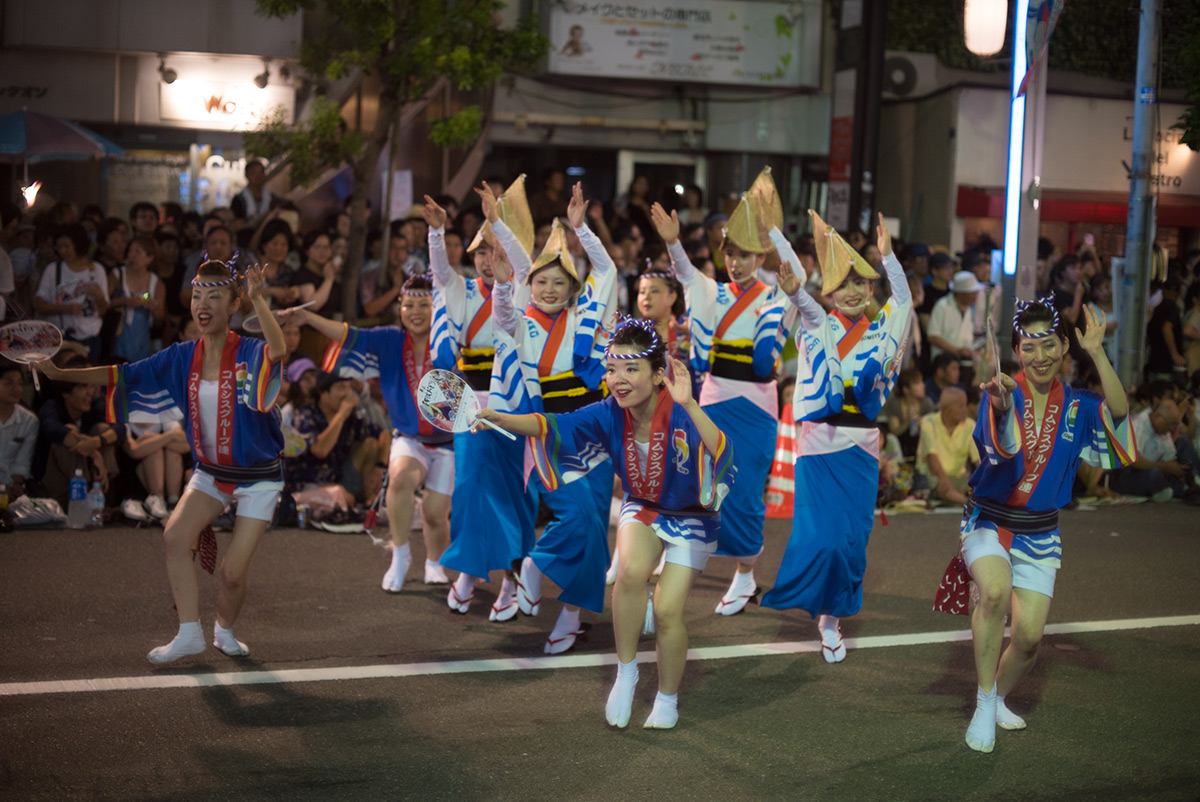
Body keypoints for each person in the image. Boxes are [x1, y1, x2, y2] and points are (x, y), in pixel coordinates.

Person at [477, 319, 735, 729]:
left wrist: (690, 404)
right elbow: (552, 425)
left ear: (657, 373)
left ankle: (667, 699)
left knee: (667, 612)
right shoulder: (608, 412)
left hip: (692, 514)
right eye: (612, 369)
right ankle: (627, 672)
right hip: (644, 505)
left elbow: (722, 452)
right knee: (630, 573)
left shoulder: (681, 408)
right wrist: (498, 418)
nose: (618, 379)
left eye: (631, 369)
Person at [39, 257, 286, 665]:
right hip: (212, 471)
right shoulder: (179, 356)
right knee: (174, 536)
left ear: (233, 303)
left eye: (215, 296)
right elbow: (125, 376)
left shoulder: (251, 350)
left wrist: (259, 301)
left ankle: (223, 629)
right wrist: (61, 374)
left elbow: (279, 351)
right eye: (198, 296)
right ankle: (189, 633)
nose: (203, 304)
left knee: (231, 574)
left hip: (259, 476)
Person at [936, 299, 1135, 753]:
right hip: (989, 519)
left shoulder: (1080, 405)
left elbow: (1120, 415)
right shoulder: (1001, 392)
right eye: (1029, 347)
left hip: (1041, 531)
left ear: (1065, 346)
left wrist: (1098, 353)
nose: (1040, 356)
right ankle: (985, 702)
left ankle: (999, 696)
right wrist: (1004, 407)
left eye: (1049, 345)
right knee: (994, 591)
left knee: (1028, 640)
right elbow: (1002, 450)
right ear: (1016, 351)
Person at [762, 211, 911, 662]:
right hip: (819, 448)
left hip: (862, 451)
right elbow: (802, 300)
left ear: (870, 290)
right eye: (842, 285)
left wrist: (887, 257)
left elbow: (903, 299)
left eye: (860, 284)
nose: (851, 292)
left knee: (850, 543)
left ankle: (832, 617)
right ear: (828, 292)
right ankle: (820, 608)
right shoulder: (818, 322)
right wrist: (788, 277)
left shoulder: (883, 329)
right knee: (820, 538)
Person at [649, 168, 793, 616]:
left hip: (757, 406)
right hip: (709, 399)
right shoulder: (711, 291)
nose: (736, 262)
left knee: (745, 494)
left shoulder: (777, 296)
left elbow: (801, 273)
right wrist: (674, 243)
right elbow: (685, 274)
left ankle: (746, 575)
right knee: (696, 484)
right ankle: (671, 579)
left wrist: (775, 235)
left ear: (761, 256)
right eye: (730, 253)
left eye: (746, 255)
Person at [489, 181, 619, 652]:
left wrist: (582, 231)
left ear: (571, 290)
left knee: (593, 526)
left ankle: (570, 614)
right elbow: (502, 313)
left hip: (595, 430)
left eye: (558, 282)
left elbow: (606, 270)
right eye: (540, 281)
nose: (547, 288)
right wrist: (505, 280)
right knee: (575, 513)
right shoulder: (520, 322)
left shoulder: (587, 319)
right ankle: (535, 564)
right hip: (547, 433)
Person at [289, 273, 456, 591]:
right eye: (410, 304)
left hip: (449, 442)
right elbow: (348, 334)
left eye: (425, 304)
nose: (416, 311)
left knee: (436, 514)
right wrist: (308, 316)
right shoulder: (390, 339)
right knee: (400, 478)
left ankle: (435, 562)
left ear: (438, 307)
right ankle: (400, 555)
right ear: (400, 308)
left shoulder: (449, 342)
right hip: (409, 438)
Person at [423, 181, 540, 618]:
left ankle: (511, 576)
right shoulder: (463, 292)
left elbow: (525, 267)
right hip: (470, 403)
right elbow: (439, 274)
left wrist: (496, 224)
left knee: (512, 492)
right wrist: (437, 234)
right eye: (480, 254)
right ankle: (469, 573)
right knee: (471, 490)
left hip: (515, 405)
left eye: (495, 253)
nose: (487, 261)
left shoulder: (522, 290)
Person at [284, 371, 386, 516]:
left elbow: (384, 435)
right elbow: (320, 450)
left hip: (339, 479)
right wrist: (342, 414)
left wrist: (379, 467)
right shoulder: (305, 415)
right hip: (308, 483)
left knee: (371, 444)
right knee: (340, 498)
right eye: (340, 388)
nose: (346, 394)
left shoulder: (352, 414)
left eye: (348, 387)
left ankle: (371, 502)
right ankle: (348, 503)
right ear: (323, 393)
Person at [34, 223, 110, 360]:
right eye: (59, 246)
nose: (63, 251)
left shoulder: (96, 270)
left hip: (90, 336)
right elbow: (39, 305)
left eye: (67, 246)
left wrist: (99, 297)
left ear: (78, 244)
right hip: (59, 337)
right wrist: (65, 308)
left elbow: (104, 310)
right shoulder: (53, 269)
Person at [916, 387, 979, 505]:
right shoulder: (928, 422)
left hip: (959, 479)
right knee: (940, 484)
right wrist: (946, 484)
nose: (965, 410)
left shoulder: (970, 425)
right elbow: (932, 458)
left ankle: (962, 500)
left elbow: (978, 461)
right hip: (933, 478)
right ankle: (967, 503)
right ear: (947, 409)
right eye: (961, 406)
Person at [108, 236, 166, 363]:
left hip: (142, 340)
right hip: (117, 337)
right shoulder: (117, 275)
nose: (131, 255)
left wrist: (154, 308)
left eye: (137, 252)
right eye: (130, 251)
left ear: (149, 258)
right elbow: (103, 305)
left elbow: (160, 320)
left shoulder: (156, 283)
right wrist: (122, 301)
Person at [0, 364, 39, 500]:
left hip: (11, 486)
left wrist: (16, 484)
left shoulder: (28, 421)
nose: (16, 389)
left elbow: (23, 461)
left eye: (19, 384)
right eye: (9, 383)